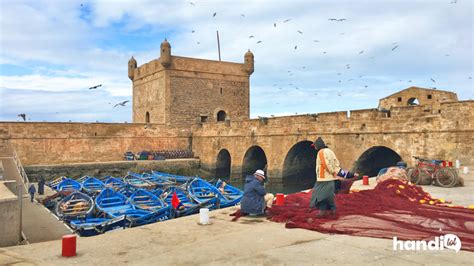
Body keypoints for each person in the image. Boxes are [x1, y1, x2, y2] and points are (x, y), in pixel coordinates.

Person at [310, 137, 357, 218]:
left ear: (318, 145)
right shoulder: (330, 151)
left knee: (319, 196)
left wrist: (333, 172)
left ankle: (322, 213)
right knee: (328, 196)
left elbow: (326, 164)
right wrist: (349, 174)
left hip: (324, 179)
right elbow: (336, 166)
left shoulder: (321, 152)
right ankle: (332, 210)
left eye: (315, 146)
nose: (314, 147)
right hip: (332, 180)